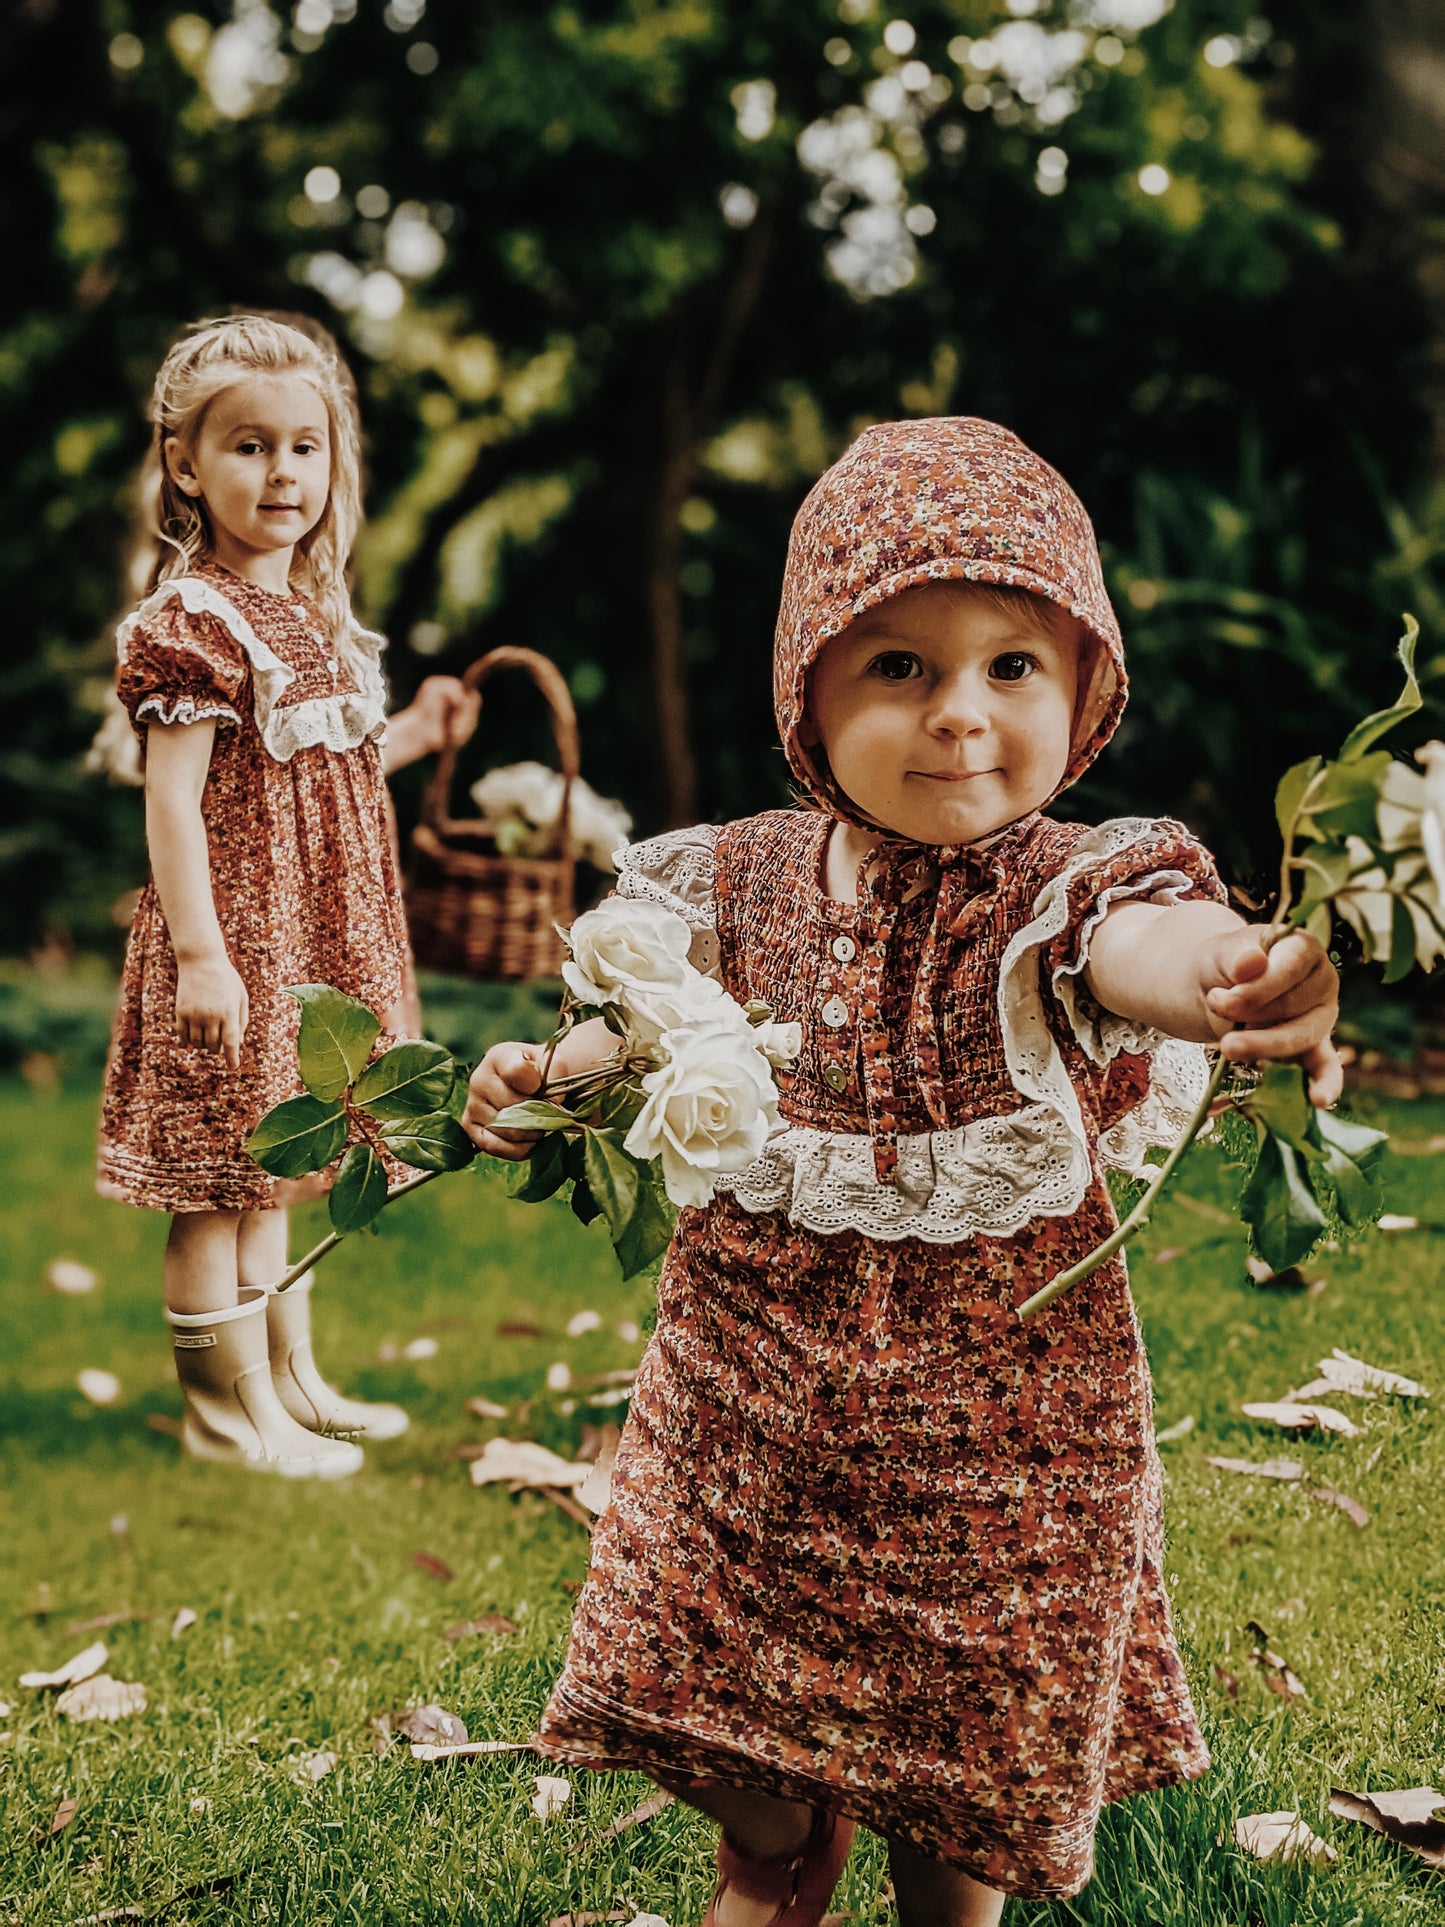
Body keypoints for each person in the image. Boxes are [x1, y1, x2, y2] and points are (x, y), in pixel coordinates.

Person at [462, 418, 1342, 1924]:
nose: (959, 715)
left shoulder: (1069, 884)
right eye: (900, 667)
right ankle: (769, 1834)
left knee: (962, 1726)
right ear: (809, 690)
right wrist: (552, 1081)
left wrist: (1243, 976)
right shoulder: (735, 874)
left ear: (1084, 689)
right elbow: (657, 1028)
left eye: (1013, 665)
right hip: (748, 1375)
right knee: (667, 1650)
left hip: (997, 1404)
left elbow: (1147, 950)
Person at [97, 312, 473, 1477]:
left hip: (315, 937)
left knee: (284, 1166)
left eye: (302, 447)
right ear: (186, 465)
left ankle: (289, 1384)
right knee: (221, 1177)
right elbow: (176, 804)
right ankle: (223, 1415)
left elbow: (321, 774)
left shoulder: (307, 617)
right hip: (240, 939)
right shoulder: (191, 624)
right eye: (249, 446)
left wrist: (409, 732)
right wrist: (203, 957)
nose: (281, 472)